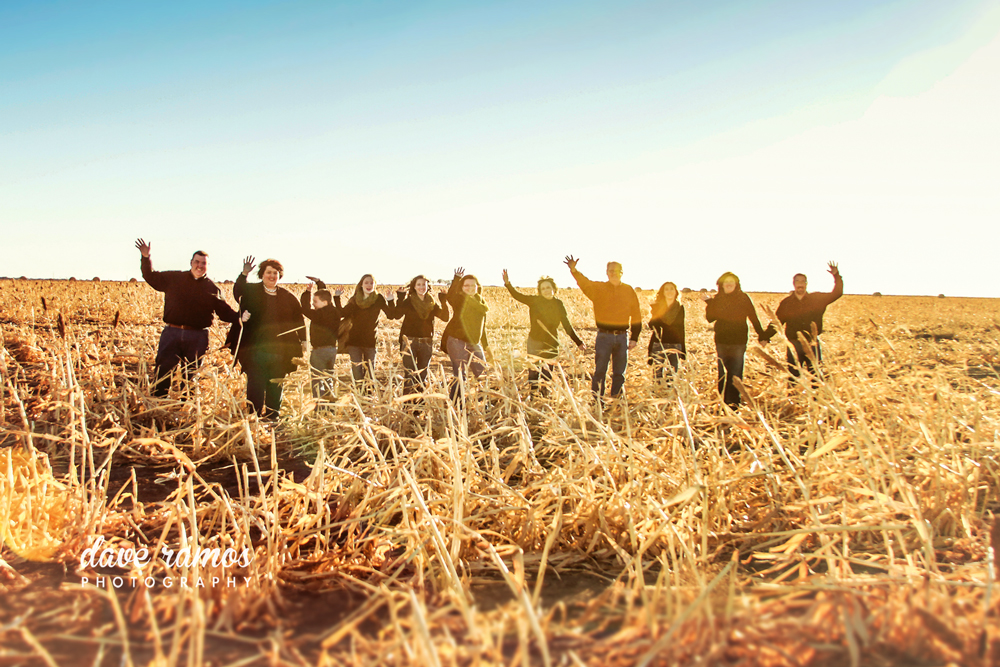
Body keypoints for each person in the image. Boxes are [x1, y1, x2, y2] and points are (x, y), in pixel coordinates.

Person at [135, 239, 238, 397]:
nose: (199, 266)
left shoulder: (212, 288)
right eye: (197, 262)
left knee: (191, 375)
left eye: (203, 263)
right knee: (163, 371)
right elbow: (151, 276)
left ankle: (187, 407)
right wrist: (145, 257)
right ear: (191, 262)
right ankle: (158, 404)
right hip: (172, 333)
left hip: (197, 337)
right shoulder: (174, 278)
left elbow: (224, 312)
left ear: (207, 266)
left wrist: (241, 317)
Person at [227, 257, 305, 417]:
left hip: (280, 351)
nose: (272, 276)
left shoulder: (287, 297)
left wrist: (303, 339)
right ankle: (253, 416)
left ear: (279, 275)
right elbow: (238, 292)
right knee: (255, 385)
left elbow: (298, 319)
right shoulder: (251, 291)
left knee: (275, 385)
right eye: (268, 272)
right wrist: (244, 274)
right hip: (255, 350)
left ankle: (272, 417)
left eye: (275, 273)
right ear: (262, 274)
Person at [563, 256, 642, 399]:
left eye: (617, 271)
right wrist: (574, 270)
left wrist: (634, 337)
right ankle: (598, 402)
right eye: (611, 271)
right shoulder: (599, 289)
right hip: (604, 336)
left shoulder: (628, 290)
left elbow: (636, 314)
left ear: (622, 272)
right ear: (606, 272)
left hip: (622, 336)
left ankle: (617, 402)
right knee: (600, 371)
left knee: (619, 373)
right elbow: (584, 283)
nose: (614, 273)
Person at [502, 269, 584, 395]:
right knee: (533, 371)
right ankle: (534, 396)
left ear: (554, 289)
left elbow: (566, 324)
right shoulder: (535, 301)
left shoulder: (558, 304)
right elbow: (518, 296)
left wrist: (578, 342)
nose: (546, 290)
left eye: (548, 287)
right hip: (534, 341)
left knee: (547, 372)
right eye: (543, 288)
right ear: (540, 291)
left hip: (551, 342)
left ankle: (545, 396)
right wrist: (508, 284)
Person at [704, 272, 776, 408]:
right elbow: (710, 318)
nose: (729, 283)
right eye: (726, 281)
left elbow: (753, 317)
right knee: (723, 373)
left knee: (735, 373)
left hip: (739, 341)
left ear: (736, 284)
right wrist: (709, 303)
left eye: (732, 281)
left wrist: (762, 335)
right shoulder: (717, 299)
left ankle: (734, 404)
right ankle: (723, 403)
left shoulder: (743, 298)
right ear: (721, 284)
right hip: (721, 340)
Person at [775, 262, 843, 380]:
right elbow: (777, 322)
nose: (800, 284)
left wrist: (837, 276)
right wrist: (764, 337)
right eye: (798, 281)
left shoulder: (816, 299)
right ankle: (793, 398)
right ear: (794, 283)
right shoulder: (786, 303)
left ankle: (816, 398)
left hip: (812, 344)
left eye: (803, 281)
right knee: (793, 379)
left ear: (806, 284)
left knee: (816, 377)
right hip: (793, 344)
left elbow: (837, 293)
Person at [386, 275, 450, 395]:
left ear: (428, 286)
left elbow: (445, 317)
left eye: (424, 284)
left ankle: (419, 405)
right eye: (419, 284)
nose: (421, 287)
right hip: (409, 341)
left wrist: (443, 300)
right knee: (410, 374)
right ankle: (408, 404)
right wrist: (399, 298)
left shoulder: (431, 302)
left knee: (422, 374)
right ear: (414, 287)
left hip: (426, 342)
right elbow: (397, 315)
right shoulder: (409, 301)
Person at [440, 268, 491, 403]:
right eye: (466, 285)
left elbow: (482, 327)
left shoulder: (481, 304)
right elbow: (450, 296)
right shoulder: (459, 300)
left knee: (483, 373)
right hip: (457, 341)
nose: (469, 288)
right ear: (462, 288)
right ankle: (456, 404)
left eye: (472, 285)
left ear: (478, 286)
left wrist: (485, 345)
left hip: (474, 342)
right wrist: (456, 278)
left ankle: (483, 404)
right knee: (460, 374)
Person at [339, 274, 393, 385]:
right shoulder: (355, 300)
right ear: (361, 285)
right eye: (366, 283)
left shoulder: (378, 299)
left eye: (371, 283)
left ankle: (369, 397)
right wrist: (337, 297)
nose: (369, 285)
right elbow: (341, 313)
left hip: (370, 341)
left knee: (370, 372)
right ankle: (359, 396)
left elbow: (391, 315)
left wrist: (391, 300)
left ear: (375, 285)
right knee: (357, 372)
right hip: (354, 341)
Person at [300, 277, 344, 399]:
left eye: (315, 301)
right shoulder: (335, 312)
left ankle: (319, 405)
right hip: (332, 350)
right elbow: (325, 295)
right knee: (328, 378)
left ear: (324, 303)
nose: (313, 304)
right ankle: (330, 403)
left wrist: (307, 293)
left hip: (319, 351)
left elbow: (304, 309)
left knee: (317, 380)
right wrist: (319, 283)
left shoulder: (318, 314)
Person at [647, 282, 686, 381]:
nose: (669, 291)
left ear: (676, 292)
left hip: (675, 345)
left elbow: (681, 328)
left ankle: (670, 396)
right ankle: (657, 395)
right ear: (663, 292)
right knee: (657, 376)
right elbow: (652, 325)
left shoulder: (680, 308)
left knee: (672, 376)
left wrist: (683, 349)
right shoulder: (658, 306)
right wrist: (654, 310)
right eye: (666, 289)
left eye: (671, 289)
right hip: (659, 343)